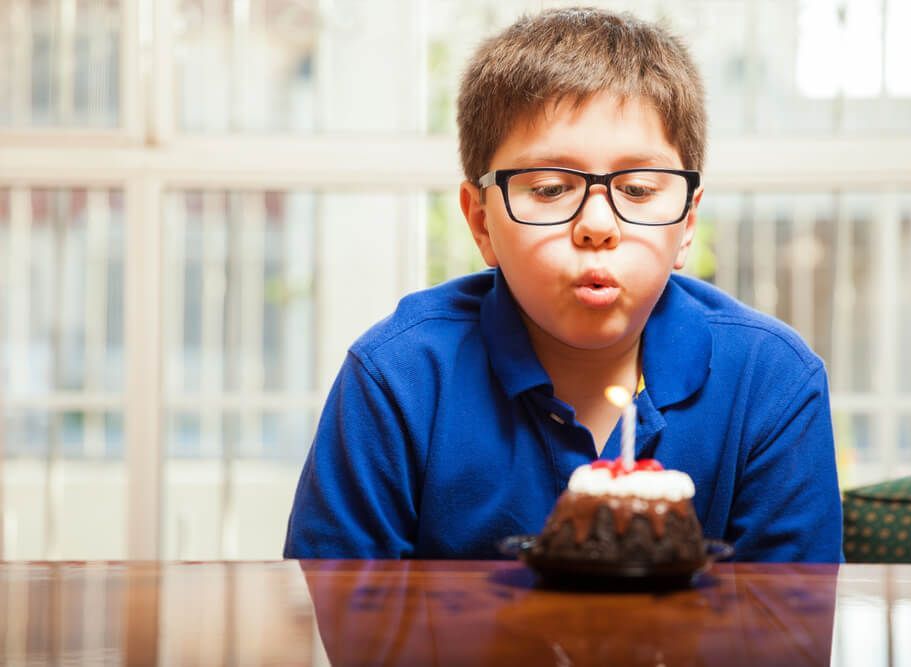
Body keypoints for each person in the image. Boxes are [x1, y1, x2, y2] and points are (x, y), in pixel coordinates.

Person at [284, 7, 842, 562]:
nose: (597, 226)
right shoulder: (398, 378)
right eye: (550, 189)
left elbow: (788, 629)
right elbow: (338, 616)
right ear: (481, 221)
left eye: (641, 189)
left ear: (688, 222)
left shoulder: (771, 381)